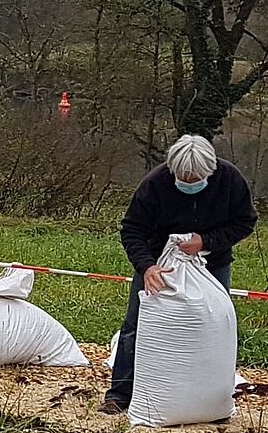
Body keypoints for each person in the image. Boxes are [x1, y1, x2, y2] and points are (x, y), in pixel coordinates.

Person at [100, 134, 257, 416]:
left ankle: (208, 397)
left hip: (212, 265)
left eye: (196, 178)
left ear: (211, 171)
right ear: (172, 170)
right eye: (184, 178)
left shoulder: (230, 181)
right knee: (136, 326)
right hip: (158, 264)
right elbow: (132, 229)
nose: (190, 182)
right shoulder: (155, 184)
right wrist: (146, 266)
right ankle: (120, 394)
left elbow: (245, 222)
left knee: (213, 325)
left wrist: (206, 241)